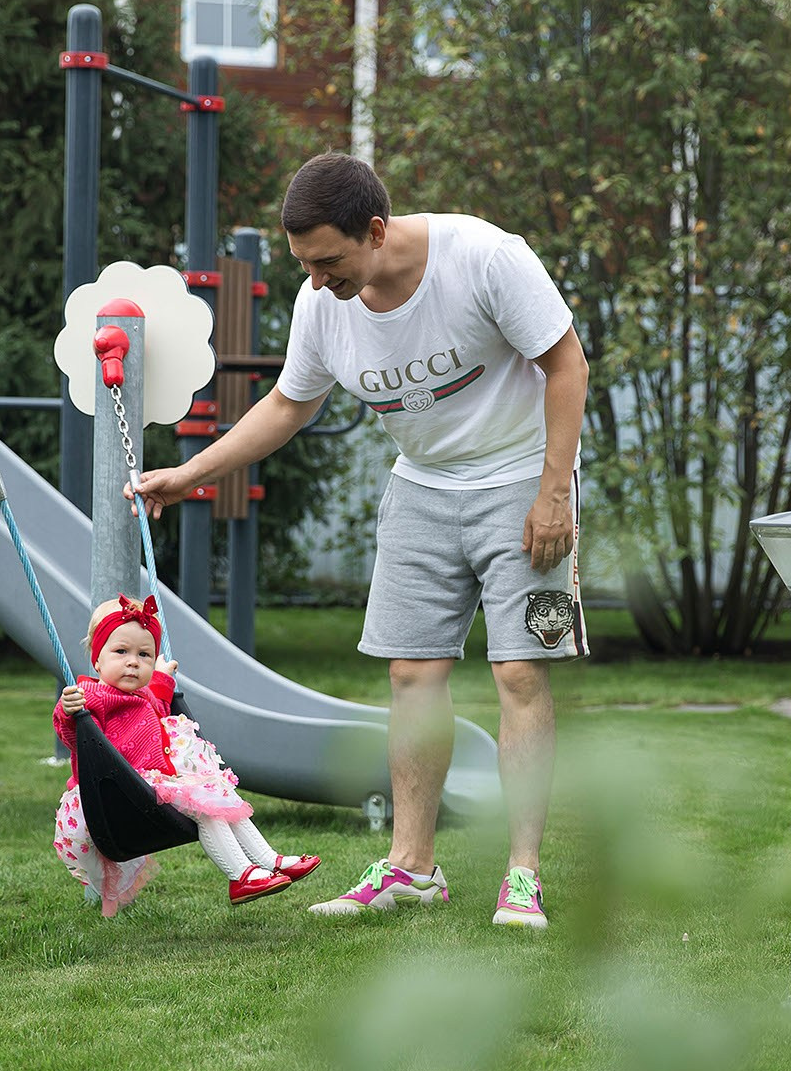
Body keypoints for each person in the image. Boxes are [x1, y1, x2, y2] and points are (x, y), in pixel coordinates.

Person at [131, 152, 588, 930]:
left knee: (518, 670)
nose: (316, 281)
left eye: (329, 261)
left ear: (376, 231)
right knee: (412, 673)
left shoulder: (484, 259)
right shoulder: (323, 306)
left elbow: (566, 363)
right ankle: (413, 867)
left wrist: (554, 490)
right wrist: (192, 472)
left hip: (520, 477)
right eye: (305, 263)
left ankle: (524, 874)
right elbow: (286, 405)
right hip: (422, 484)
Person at [52, 594, 319, 915]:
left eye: (144, 655)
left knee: (218, 796)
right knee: (206, 807)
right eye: (121, 652)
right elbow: (73, 735)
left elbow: (160, 704)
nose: (133, 661)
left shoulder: (144, 694)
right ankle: (241, 876)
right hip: (121, 792)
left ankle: (268, 860)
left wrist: (162, 675)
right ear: (98, 660)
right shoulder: (92, 695)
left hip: (153, 784)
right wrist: (69, 711)